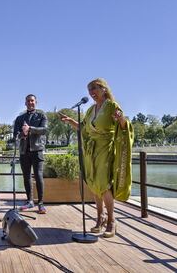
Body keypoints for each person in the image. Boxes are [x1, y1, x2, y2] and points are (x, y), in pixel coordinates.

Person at [60, 78, 133, 238]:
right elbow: (84, 128)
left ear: (104, 89)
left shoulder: (112, 106)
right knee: (93, 183)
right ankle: (100, 217)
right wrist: (71, 121)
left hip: (105, 149)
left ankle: (112, 221)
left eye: (95, 88)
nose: (92, 92)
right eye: (89, 90)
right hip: (91, 150)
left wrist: (121, 119)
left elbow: (123, 126)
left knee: (104, 184)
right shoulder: (91, 109)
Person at [13, 94, 48, 214]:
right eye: (28, 101)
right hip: (24, 151)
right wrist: (23, 133)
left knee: (38, 176)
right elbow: (15, 135)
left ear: (36, 102)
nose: (30, 103)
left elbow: (44, 130)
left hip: (37, 150)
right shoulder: (19, 118)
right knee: (26, 177)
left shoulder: (41, 115)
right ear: (25, 103)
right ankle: (29, 201)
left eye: (32, 101)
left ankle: (41, 203)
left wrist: (30, 129)